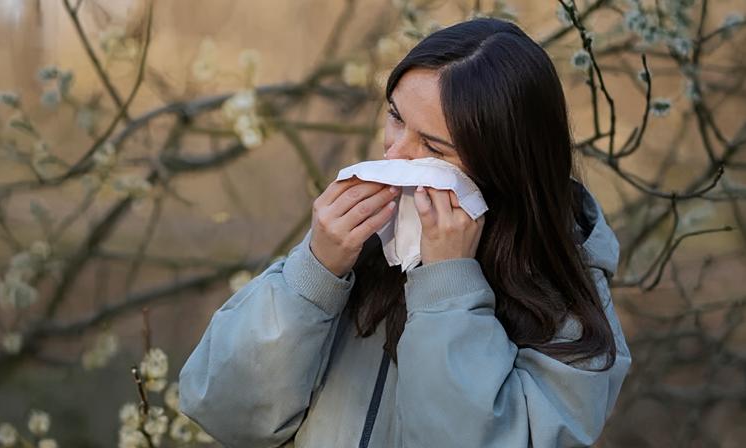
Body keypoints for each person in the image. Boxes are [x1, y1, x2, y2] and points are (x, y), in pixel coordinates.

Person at [178, 17, 631, 448]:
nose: (395, 155)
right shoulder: (368, 242)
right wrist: (314, 273)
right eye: (396, 117)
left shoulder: (568, 312)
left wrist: (449, 286)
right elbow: (225, 410)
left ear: (504, 164)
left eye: (432, 146)